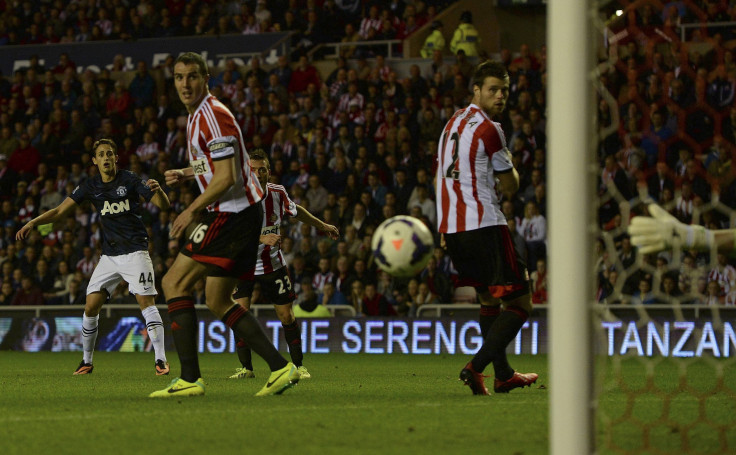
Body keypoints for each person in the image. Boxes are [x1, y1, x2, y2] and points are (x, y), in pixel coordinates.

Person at [150, 52, 299, 398]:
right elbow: (218, 163)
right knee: (217, 299)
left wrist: (190, 210)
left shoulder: (212, 117)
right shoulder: (197, 117)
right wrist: (187, 172)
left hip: (230, 215)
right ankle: (281, 368)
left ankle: (189, 378)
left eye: (192, 76)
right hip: (241, 214)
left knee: (173, 282)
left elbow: (227, 175)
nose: (185, 84)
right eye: (178, 77)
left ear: (206, 79)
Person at [16, 138, 171, 375]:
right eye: (101, 154)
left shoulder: (129, 179)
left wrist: (158, 191)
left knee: (145, 303)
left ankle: (160, 360)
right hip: (109, 256)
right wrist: (33, 222)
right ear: (94, 161)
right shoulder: (90, 186)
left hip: (135, 252)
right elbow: (59, 211)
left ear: (116, 158)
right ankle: (86, 361)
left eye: (110, 153)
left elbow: (163, 206)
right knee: (90, 307)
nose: (106, 158)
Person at [434, 60, 538, 395]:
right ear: (476, 90)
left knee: (488, 301)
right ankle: (476, 367)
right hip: (484, 225)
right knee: (521, 305)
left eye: (504, 90)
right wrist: (511, 165)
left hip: (453, 229)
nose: (500, 95)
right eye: (493, 89)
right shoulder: (489, 129)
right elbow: (509, 188)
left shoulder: (451, 123)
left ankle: (504, 374)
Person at [228, 149, 339, 380]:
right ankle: (247, 369)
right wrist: (261, 238)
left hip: (273, 265)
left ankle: (298, 366)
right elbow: (231, 233)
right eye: (254, 169)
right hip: (244, 266)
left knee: (286, 316)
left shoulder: (278, 192)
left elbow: (298, 212)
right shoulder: (239, 195)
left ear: (269, 171)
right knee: (240, 316)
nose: (258, 174)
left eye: (263, 169)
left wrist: (323, 226)